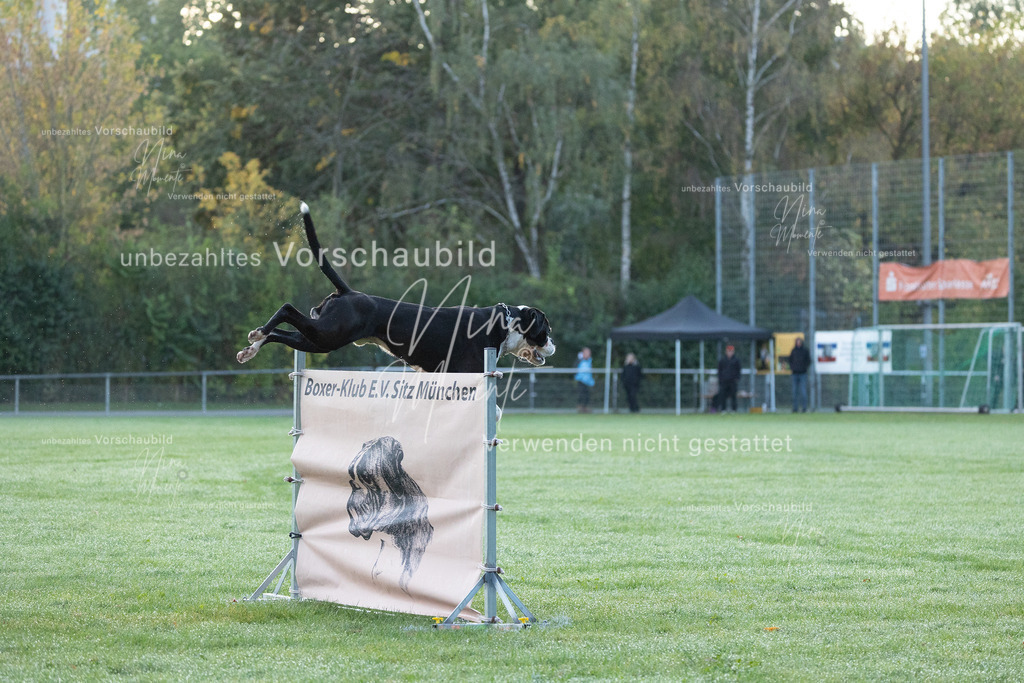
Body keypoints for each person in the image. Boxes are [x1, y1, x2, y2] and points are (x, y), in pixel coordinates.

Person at [788, 336, 811, 413]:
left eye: (799, 342)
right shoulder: (793, 351)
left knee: (803, 391)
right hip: (795, 373)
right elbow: (790, 360)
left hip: (803, 373)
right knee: (794, 392)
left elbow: (809, 360)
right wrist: (793, 368)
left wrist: (804, 367)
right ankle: (795, 408)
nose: (798, 343)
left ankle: (804, 408)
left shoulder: (805, 351)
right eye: (797, 342)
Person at [716, 344, 741, 413]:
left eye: (731, 351)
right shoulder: (722, 360)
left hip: (733, 381)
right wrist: (720, 379)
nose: (730, 352)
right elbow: (719, 370)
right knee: (723, 395)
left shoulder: (736, 360)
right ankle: (723, 409)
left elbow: (738, 370)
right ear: (726, 351)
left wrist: (737, 378)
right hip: (724, 381)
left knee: (733, 395)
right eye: (728, 351)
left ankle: (734, 409)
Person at [575, 347, 595, 413]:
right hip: (581, 380)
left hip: (588, 381)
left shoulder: (590, 361)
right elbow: (574, 368)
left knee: (587, 395)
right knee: (581, 394)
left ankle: (585, 408)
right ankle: (580, 408)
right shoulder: (579, 360)